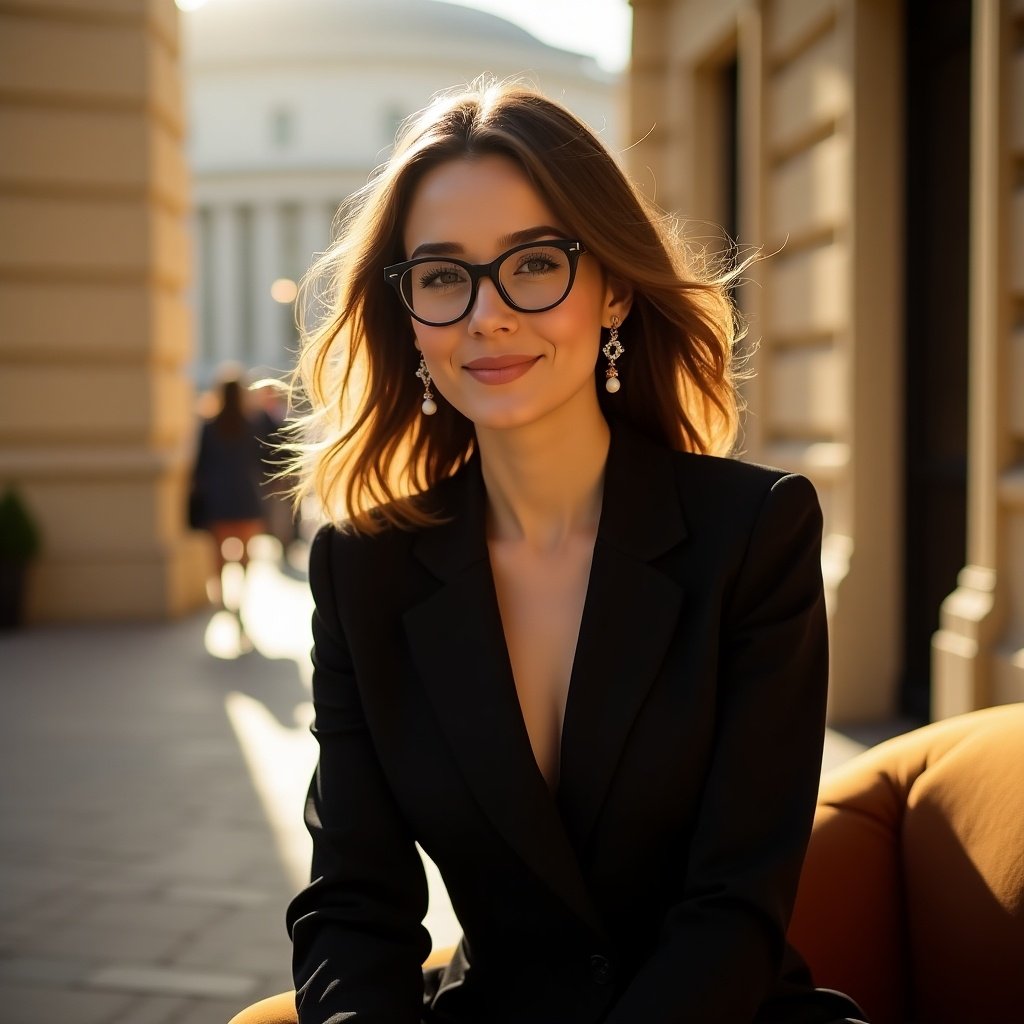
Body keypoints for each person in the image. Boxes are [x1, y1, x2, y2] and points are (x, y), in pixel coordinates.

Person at [278, 80, 867, 1023]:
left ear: (615, 293)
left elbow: (735, 908)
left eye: (534, 263)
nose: (486, 314)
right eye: (442, 275)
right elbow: (353, 902)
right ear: (410, 317)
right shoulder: (363, 570)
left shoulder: (755, 533)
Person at [191, 370, 277, 612]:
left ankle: (222, 598)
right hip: (244, 494)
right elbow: (264, 458)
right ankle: (241, 594)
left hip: (217, 495)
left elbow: (201, 463)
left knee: (217, 554)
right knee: (246, 553)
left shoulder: (209, 426)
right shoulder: (252, 424)